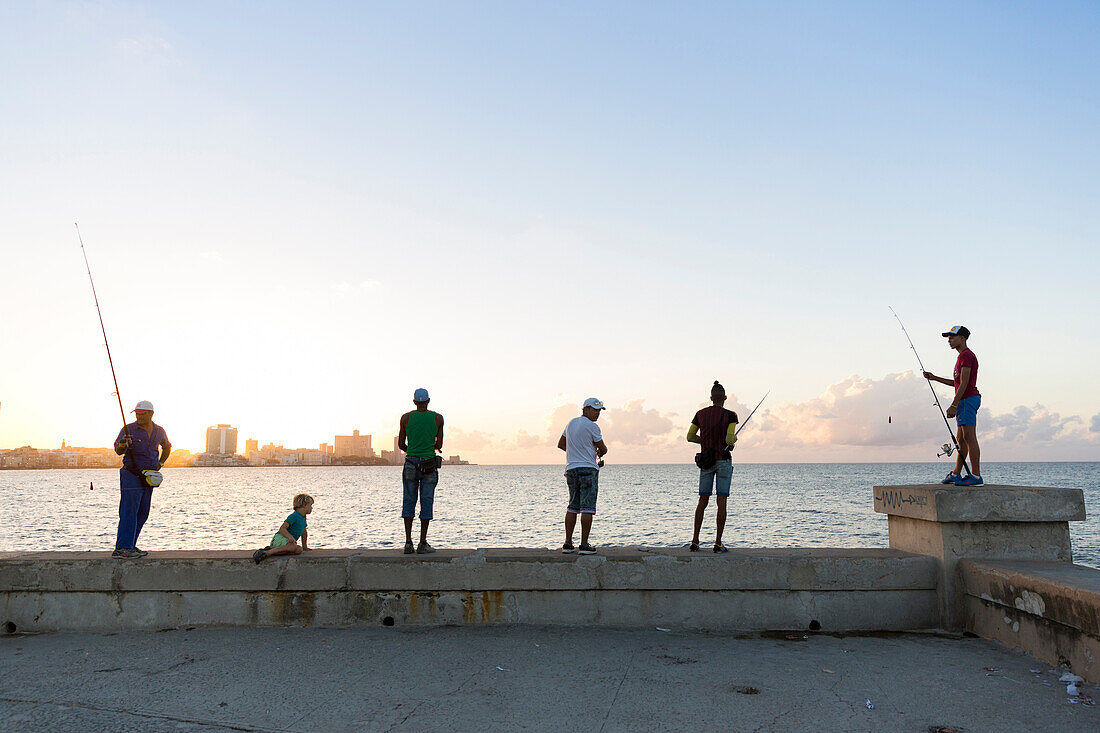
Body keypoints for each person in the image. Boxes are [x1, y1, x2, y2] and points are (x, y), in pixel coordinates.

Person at [111, 400, 171, 559]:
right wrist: (124, 445)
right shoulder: (128, 429)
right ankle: (122, 548)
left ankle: (130, 545)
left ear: (151, 414)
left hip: (149, 477)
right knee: (128, 511)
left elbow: (167, 446)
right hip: (131, 475)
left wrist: (160, 463)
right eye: (137, 413)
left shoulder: (159, 431)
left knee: (142, 512)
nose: (138, 416)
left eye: (142, 414)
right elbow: (118, 450)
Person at [924, 325, 983, 486]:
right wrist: (935, 378)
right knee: (961, 439)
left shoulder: (966, 356)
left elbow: (964, 383)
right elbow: (957, 383)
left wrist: (954, 405)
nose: (949, 340)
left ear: (962, 338)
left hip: (967, 400)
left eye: (952, 337)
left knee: (969, 437)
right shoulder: (961, 357)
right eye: (948, 337)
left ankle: (976, 476)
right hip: (965, 400)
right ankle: (957, 473)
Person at [686, 381, 739, 552]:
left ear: (711, 398)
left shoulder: (700, 414)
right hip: (723, 460)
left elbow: (690, 436)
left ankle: (695, 541)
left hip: (706, 461)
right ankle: (718, 542)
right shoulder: (731, 415)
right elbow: (730, 439)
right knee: (721, 501)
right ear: (724, 398)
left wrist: (706, 440)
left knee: (702, 500)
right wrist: (731, 441)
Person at [557, 398, 608, 555]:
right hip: (588, 469)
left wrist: (576, 452)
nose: (597, 413)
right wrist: (594, 453)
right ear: (585, 409)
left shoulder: (570, 423)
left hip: (571, 469)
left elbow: (561, 444)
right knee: (588, 508)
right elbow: (603, 448)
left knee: (572, 506)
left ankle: (567, 543)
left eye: (599, 410)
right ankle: (584, 544)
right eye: (594, 410)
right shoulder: (593, 426)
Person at [398, 388, 444, 554]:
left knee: (409, 501)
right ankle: (422, 543)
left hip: (410, 463)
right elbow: (439, 445)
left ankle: (408, 543)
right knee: (427, 502)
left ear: (414, 402)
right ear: (429, 401)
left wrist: (413, 449)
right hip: (429, 465)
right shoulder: (438, 418)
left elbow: (401, 444)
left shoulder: (405, 418)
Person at [253, 494, 313, 563]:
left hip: (288, 542)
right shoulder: (294, 516)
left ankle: (271, 550)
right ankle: (266, 553)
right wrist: (290, 537)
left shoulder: (303, 517)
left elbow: (304, 532)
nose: (311, 508)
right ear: (304, 505)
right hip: (281, 538)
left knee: (299, 550)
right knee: (293, 547)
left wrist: (304, 547)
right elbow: (282, 529)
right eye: (310, 505)